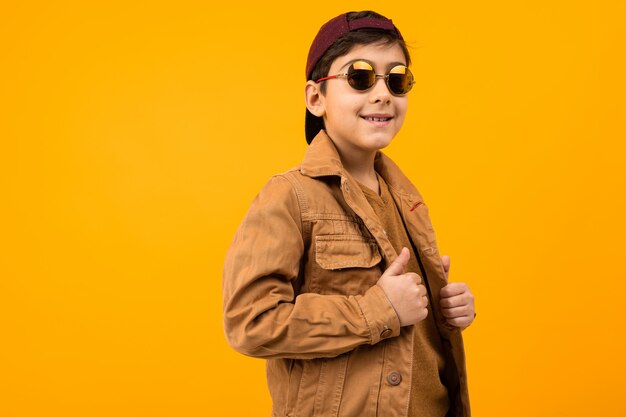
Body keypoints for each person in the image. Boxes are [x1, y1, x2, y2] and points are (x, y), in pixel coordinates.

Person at [222, 10, 475, 417]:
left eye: (397, 79)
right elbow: (250, 323)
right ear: (315, 98)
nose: (382, 93)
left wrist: (445, 312)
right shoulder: (290, 196)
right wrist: (375, 310)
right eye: (359, 77)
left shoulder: (406, 200)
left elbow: (409, 324)